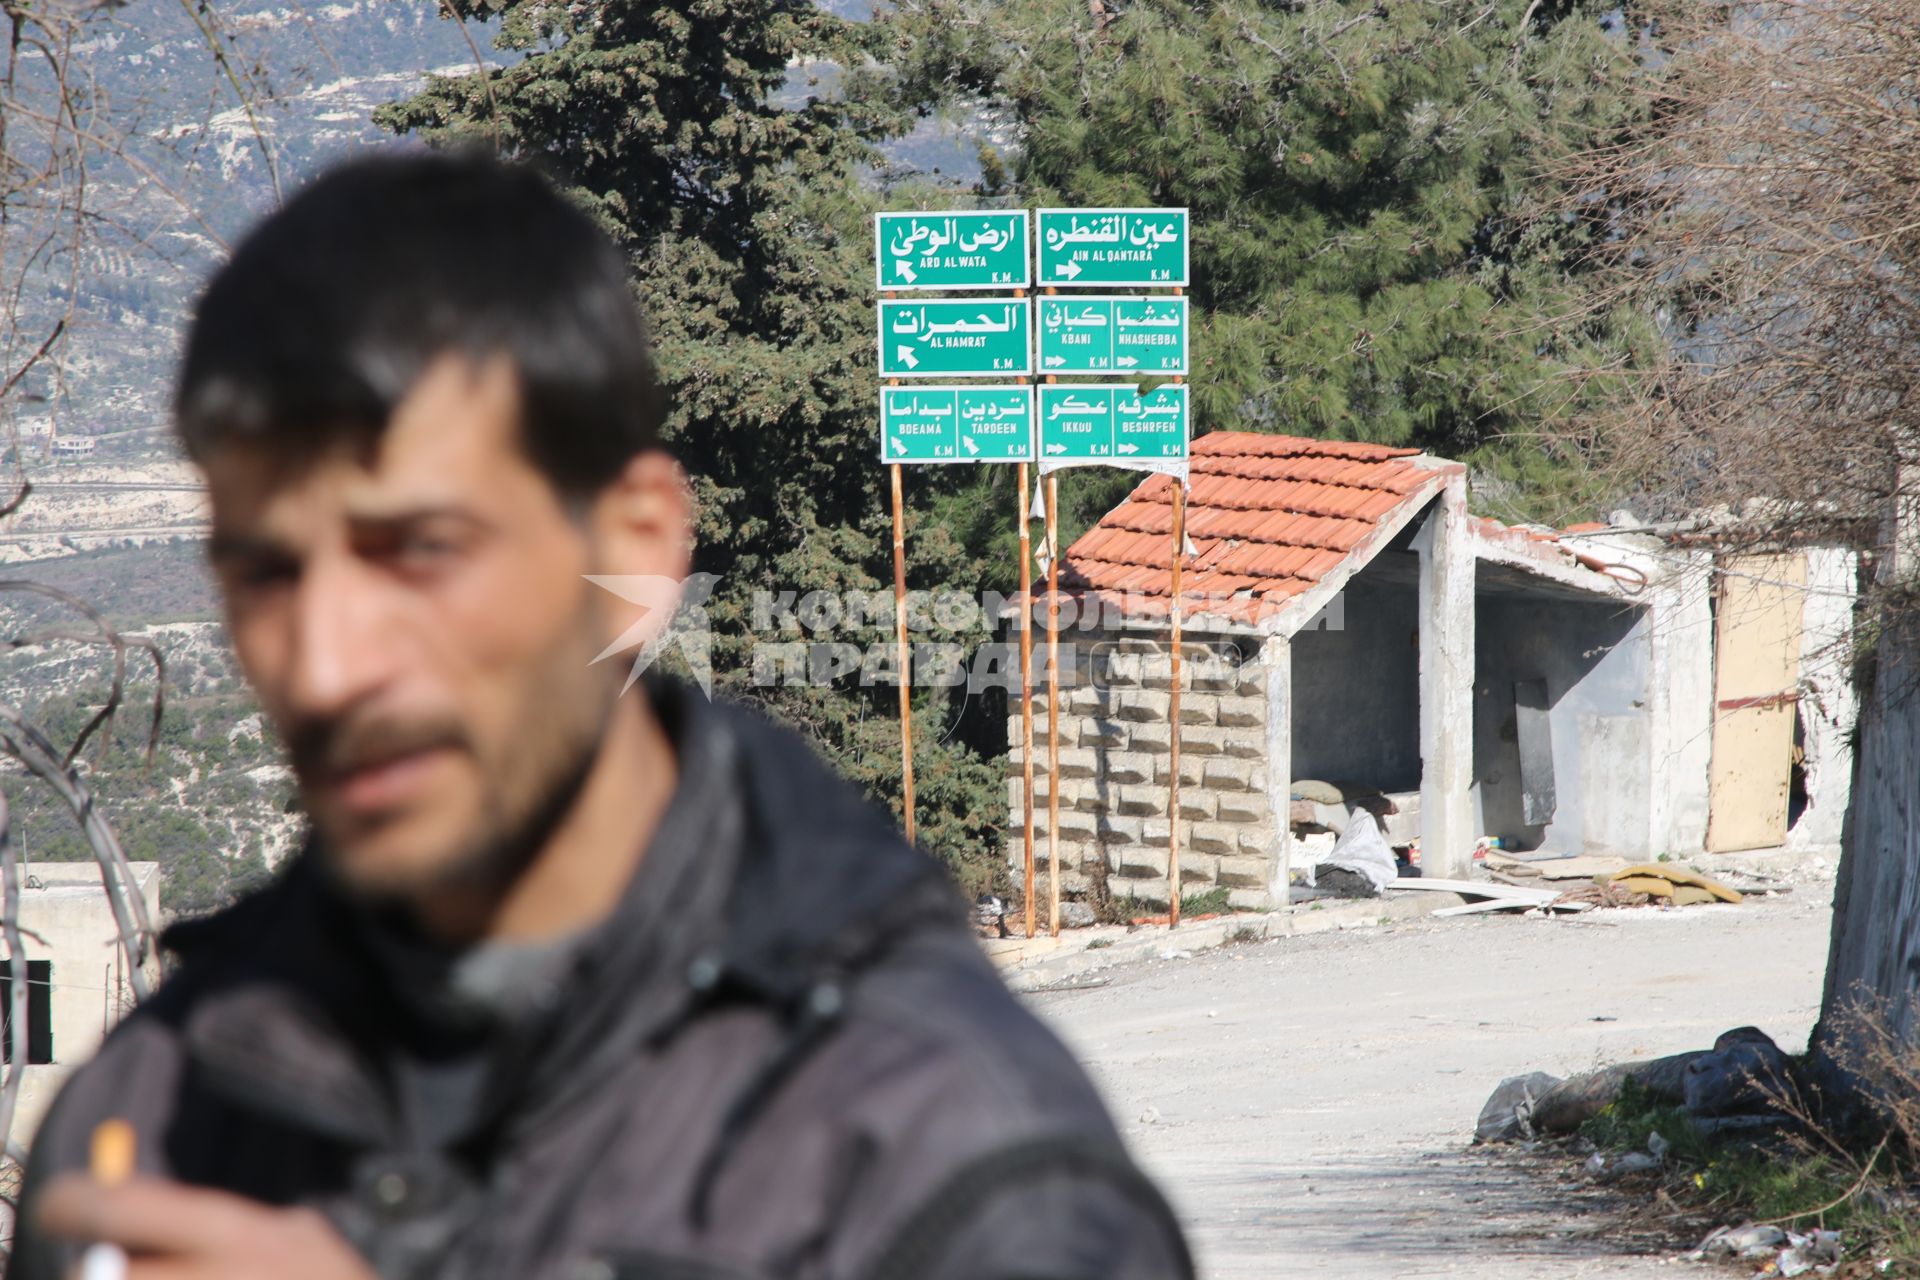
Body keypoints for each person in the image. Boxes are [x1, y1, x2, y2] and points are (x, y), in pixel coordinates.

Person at [6, 153, 1191, 1279]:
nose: (325, 665)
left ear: (635, 546)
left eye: (421, 550)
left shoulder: (949, 1165)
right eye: (266, 571)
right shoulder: (154, 1119)